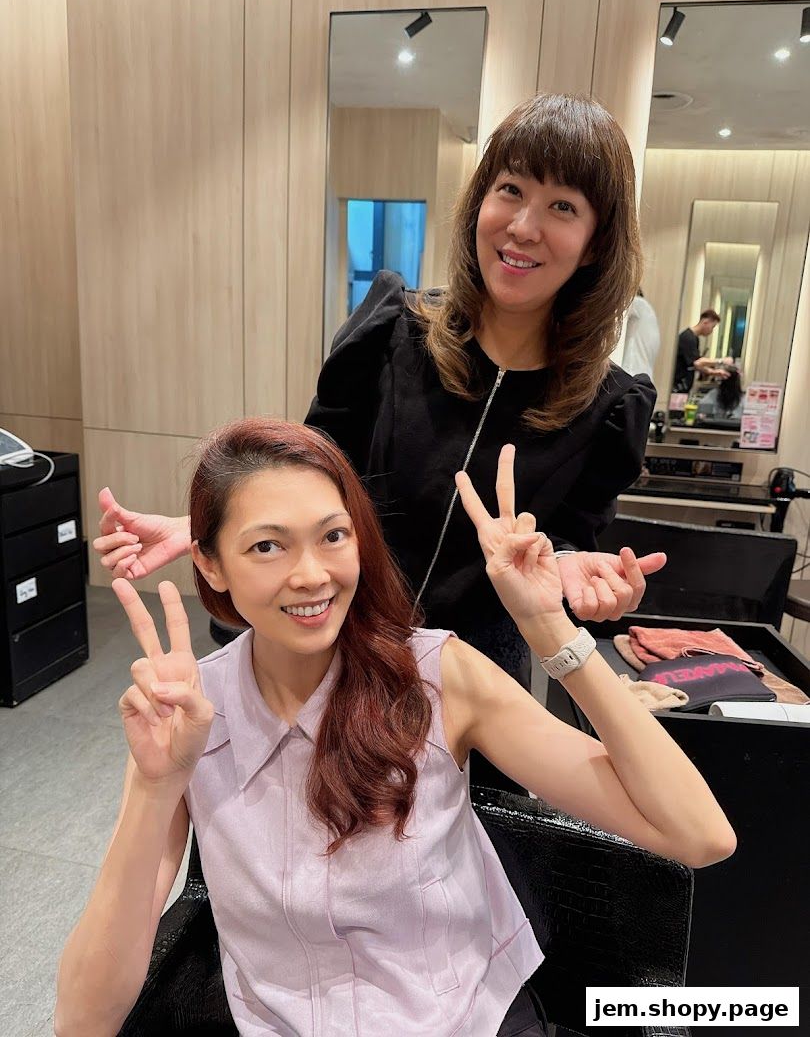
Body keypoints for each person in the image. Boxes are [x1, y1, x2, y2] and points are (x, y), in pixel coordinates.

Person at [56, 418, 736, 1037]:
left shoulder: (437, 677)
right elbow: (82, 1021)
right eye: (267, 546)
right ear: (209, 563)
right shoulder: (190, 716)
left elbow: (700, 836)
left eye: (333, 536)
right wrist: (155, 788)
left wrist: (547, 626)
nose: (312, 575)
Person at [94, 94, 667, 709]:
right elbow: (308, 478)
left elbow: (568, 537)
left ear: (596, 242)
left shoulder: (608, 407)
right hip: (342, 640)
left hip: (478, 679)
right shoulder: (392, 333)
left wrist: (572, 567)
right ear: (480, 200)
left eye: (562, 206)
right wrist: (208, 530)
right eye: (510, 190)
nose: (524, 226)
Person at [672, 309, 725, 393]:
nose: (711, 331)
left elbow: (696, 364)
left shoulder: (694, 338)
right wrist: (721, 361)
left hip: (683, 386)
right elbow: (697, 363)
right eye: (712, 327)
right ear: (705, 322)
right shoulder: (688, 338)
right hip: (678, 386)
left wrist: (714, 372)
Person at [620, 288, 660, 378]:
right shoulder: (649, 315)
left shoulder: (639, 304)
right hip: (644, 377)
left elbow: (616, 307)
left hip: (631, 372)